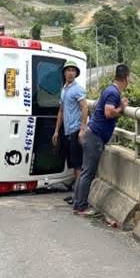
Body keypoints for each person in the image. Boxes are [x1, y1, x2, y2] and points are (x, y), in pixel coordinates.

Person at [73, 63, 129, 215]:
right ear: (126, 78)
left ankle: (77, 203)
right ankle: (81, 206)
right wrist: (122, 107)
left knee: (85, 171)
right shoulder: (113, 93)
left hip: (92, 135)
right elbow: (108, 113)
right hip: (95, 137)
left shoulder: (109, 89)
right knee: (88, 173)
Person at [52, 60, 87, 205]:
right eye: (68, 70)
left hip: (75, 130)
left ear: (76, 73)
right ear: (64, 73)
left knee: (78, 165)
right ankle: (76, 195)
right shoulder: (64, 89)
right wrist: (56, 131)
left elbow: (84, 108)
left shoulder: (78, 89)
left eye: (73, 70)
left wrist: (82, 129)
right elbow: (61, 111)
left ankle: (79, 198)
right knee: (73, 165)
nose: (70, 72)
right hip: (66, 131)